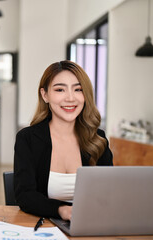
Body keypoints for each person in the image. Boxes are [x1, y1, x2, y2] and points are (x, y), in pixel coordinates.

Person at [14, 60, 113, 221]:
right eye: (60, 89)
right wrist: (61, 210)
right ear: (45, 95)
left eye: (78, 89)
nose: (70, 98)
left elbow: (110, 192)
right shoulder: (28, 138)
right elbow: (25, 195)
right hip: (46, 225)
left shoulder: (97, 138)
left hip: (92, 224)